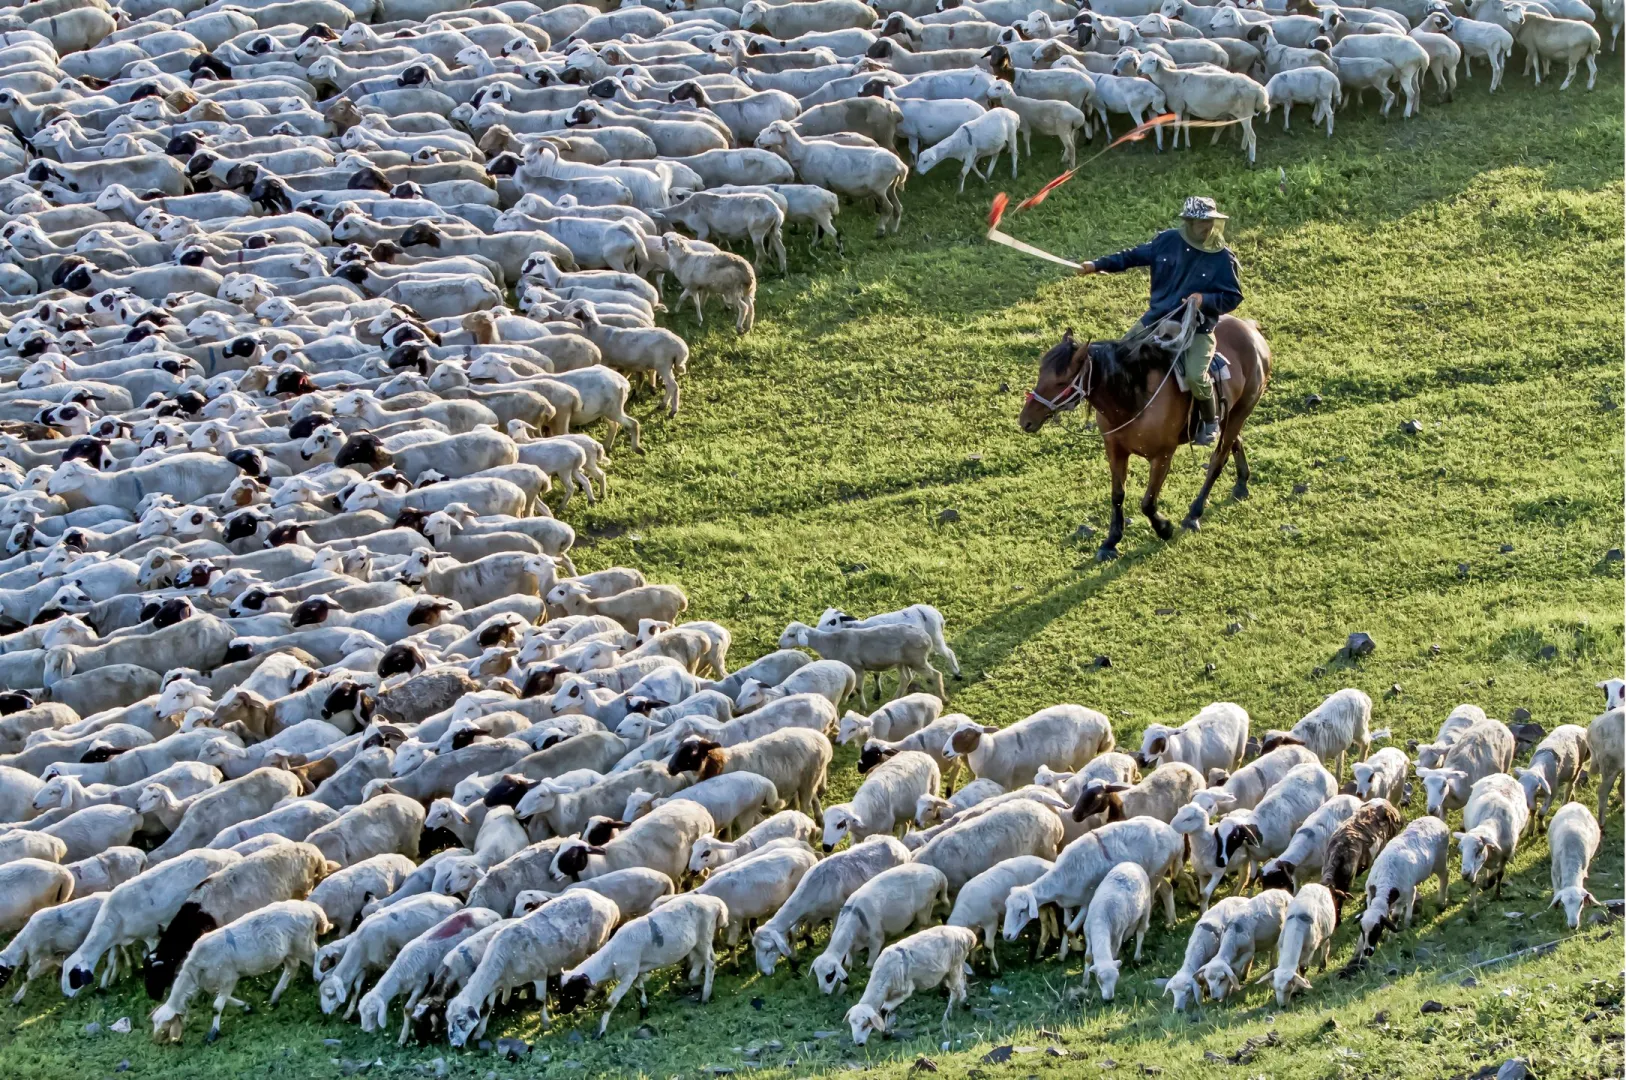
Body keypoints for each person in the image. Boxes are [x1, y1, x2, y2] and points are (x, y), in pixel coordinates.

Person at [1076, 197, 1243, 446]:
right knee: (1119, 357)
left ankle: (1209, 422)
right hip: (1156, 320)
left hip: (1197, 328)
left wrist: (1204, 299)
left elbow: (1233, 296)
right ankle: (1119, 409)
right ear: (1189, 222)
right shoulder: (1166, 241)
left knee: (1196, 376)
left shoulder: (1222, 258)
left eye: (1210, 221)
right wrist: (1095, 265)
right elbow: (1131, 257)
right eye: (1202, 222)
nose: (1207, 227)